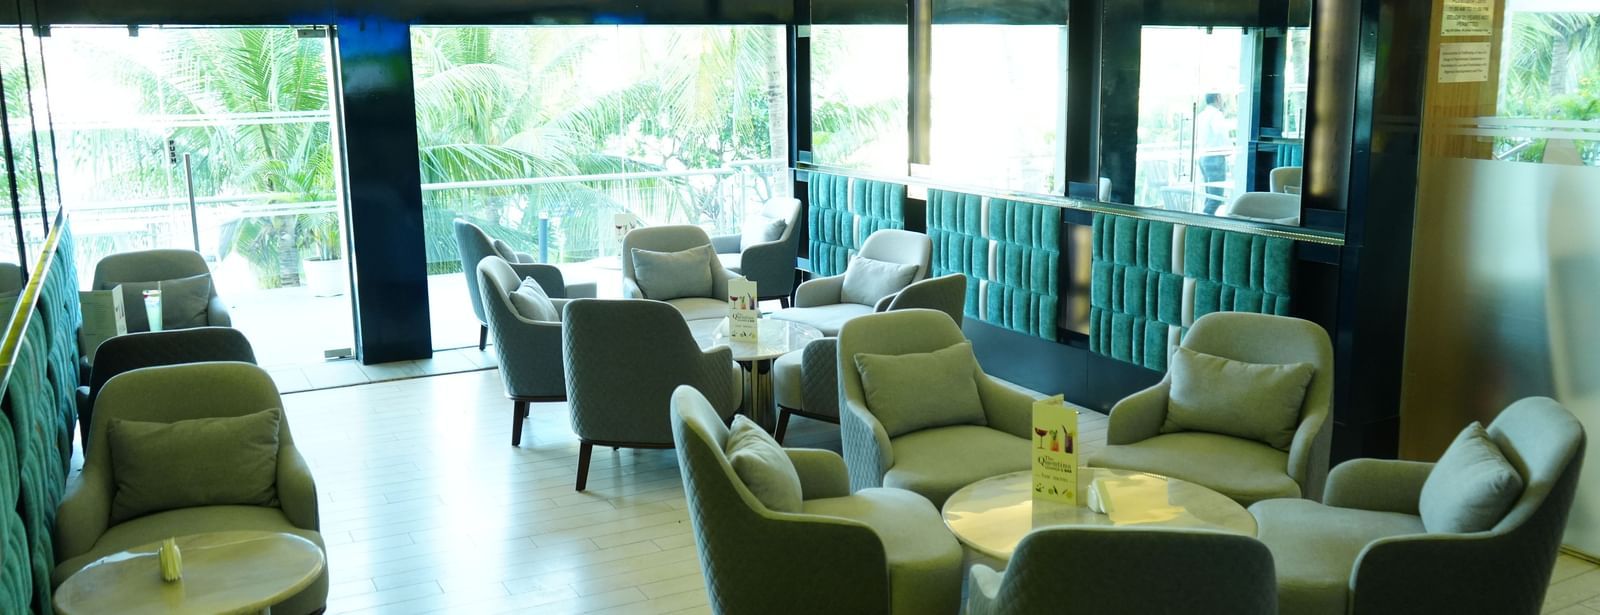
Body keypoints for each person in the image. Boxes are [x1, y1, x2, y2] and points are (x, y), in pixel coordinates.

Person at [1197, 92, 1232, 215]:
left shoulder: (1202, 115)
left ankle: (1203, 221)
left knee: (1209, 196)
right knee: (1215, 199)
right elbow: (1221, 133)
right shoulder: (1216, 115)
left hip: (1203, 157)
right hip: (1215, 158)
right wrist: (1230, 151)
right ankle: (1203, 225)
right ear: (1218, 98)